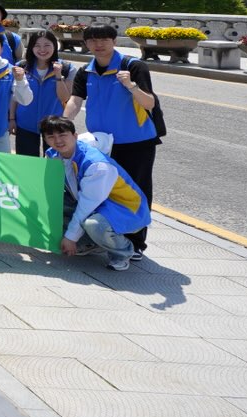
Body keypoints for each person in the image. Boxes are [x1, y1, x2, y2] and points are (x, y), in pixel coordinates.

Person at [64, 23, 162, 253]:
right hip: (101, 145)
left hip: (135, 143)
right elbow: (75, 101)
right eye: (92, 40)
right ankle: (105, 239)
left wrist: (131, 86)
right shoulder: (85, 71)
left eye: (104, 40)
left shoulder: (133, 66)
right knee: (103, 191)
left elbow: (149, 103)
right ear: (86, 44)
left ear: (114, 41)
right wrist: (63, 124)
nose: (98, 45)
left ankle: (136, 243)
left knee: (136, 191)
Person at [41, 116, 150, 271]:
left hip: (125, 208)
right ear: (45, 139)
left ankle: (124, 252)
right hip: (95, 203)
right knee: (52, 206)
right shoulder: (53, 155)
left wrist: (70, 237)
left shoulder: (96, 164)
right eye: (51, 136)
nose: (57, 140)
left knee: (95, 225)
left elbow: (87, 205)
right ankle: (93, 243)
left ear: (75, 136)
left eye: (63, 135)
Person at [14, 28, 72, 158]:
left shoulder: (66, 68)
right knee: (27, 162)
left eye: (47, 45)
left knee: (54, 163)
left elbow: (64, 97)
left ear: (54, 46)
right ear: (31, 47)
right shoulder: (22, 66)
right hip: (25, 123)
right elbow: (14, 97)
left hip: (55, 125)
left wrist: (58, 76)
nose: (42, 49)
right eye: (37, 45)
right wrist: (12, 119)